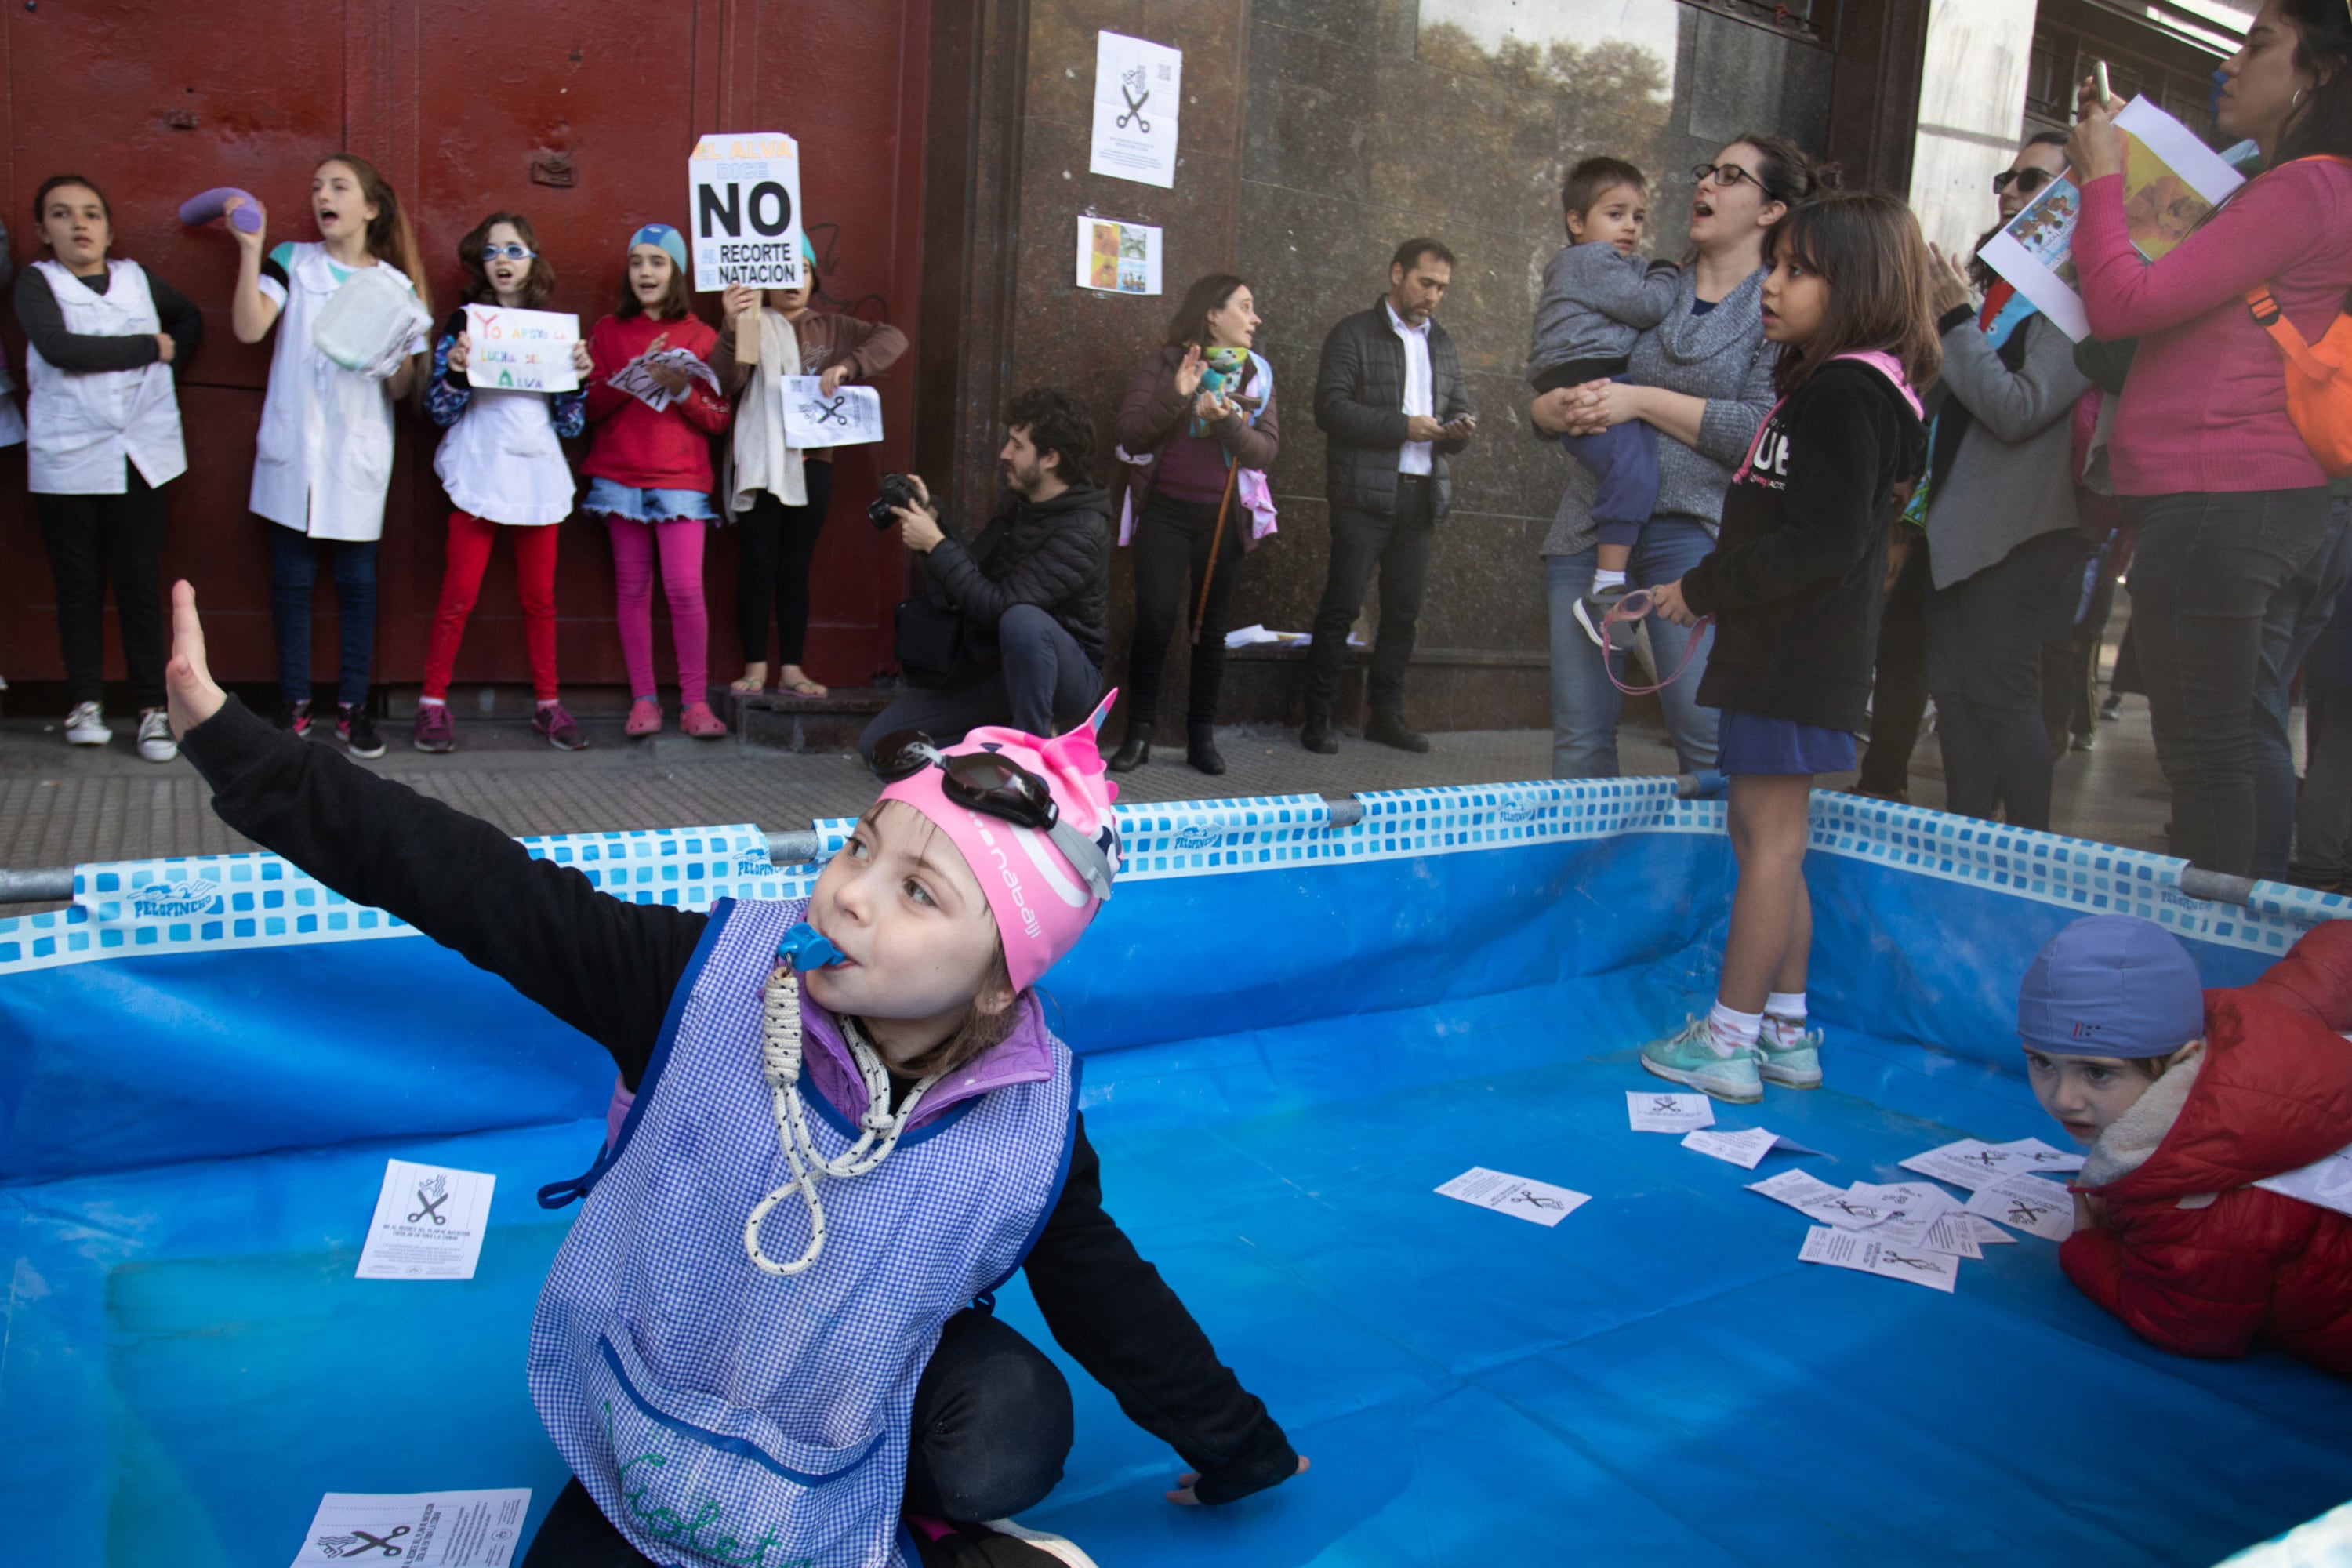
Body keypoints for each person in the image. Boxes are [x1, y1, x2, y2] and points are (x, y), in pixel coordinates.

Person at [156, 583, 1308, 1568]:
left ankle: (929, 1525)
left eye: (919, 893)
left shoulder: (1024, 1130)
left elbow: (1112, 1299)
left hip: (843, 1390)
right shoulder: (701, 984)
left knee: (1007, 1429)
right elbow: (477, 886)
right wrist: (239, 748)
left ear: (1001, 981)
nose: (849, 892)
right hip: (668, 1373)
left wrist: (1240, 1447)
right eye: (861, 845)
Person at [1639, 190, 1936, 1103]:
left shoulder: (1848, 391)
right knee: (1767, 838)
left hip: (1792, 657)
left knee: (1767, 841)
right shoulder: (1835, 386)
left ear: (1861, 286)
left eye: (1798, 270)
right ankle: (1785, 1029)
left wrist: (1704, 586)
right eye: (1775, 264)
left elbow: (1825, 540)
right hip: (1784, 653)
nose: (1771, 284)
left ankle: (1728, 1038)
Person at [2067, 0, 2352, 877]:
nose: (2229, 65)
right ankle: (2236, 937)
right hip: (2239, 498)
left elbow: (2123, 303)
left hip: (2224, 497)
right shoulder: (2305, 187)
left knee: (2208, 752)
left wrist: (2102, 180)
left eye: (2258, 44)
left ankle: (2224, 947)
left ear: (2320, 73)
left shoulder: (2305, 188)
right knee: (2225, 738)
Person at [1534, 135, 1828, 779]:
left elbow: (1757, 431)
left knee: (1705, 742)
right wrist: (1550, 411)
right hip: (1590, 529)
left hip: (1692, 539)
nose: (1706, 184)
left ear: (1771, 210)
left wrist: (1639, 400)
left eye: (1730, 176)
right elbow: (1569, 356)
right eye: (1707, 171)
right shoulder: (1645, 278)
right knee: (1579, 742)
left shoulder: (1776, 305)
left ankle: (1717, 854)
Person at [2017, 915, 2352, 1374]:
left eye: (2097, 1072)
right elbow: (2335, 956)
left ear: (2181, 1058)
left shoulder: (2187, 1203)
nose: (2062, 1099)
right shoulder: (2257, 1019)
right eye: (2041, 1062)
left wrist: (2087, 1245)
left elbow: (2187, 1326)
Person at [1915, 131, 2095, 831]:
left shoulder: (2074, 298)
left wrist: (1955, 318)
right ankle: (1965, 845)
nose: (2012, 195)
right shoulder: (1997, 289)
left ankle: (2027, 856)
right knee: (1954, 692)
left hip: (2022, 532)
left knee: (1999, 691)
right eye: (2008, 181)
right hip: (1954, 523)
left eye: (2035, 183)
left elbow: (2017, 411)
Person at [225, 154, 431, 760]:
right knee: (290, 583)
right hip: (295, 448)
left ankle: (352, 707)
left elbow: (402, 388)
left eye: (339, 186)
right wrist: (249, 250)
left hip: (357, 454)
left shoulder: (396, 287)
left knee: (357, 586)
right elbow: (249, 329)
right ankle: (293, 704)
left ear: (370, 207)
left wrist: (390, 356)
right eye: (317, 186)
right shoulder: (292, 261)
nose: (323, 196)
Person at [14, 173, 199, 764]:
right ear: (44, 230)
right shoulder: (36, 283)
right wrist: (150, 349)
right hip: (68, 454)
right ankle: (85, 701)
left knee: (140, 585)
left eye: (91, 213)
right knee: (78, 586)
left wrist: (166, 367)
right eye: (62, 214)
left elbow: (188, 320)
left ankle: (151, 709)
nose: (79, 224)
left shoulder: (137, 279)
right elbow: (59, 348)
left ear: (110, 230)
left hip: (139, 453)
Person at [416, 212, 593, 754]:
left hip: (536, 467)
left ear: (533, 260)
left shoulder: (554, 332)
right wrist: (454, 370)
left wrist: (577, 381)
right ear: (480, 263)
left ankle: (548, 704)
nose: (503, 261)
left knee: (540, 599)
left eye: (515, 250)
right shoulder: (465, 323)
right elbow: (438, 411)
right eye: (492, 251)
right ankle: (431, 703)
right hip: (482, 462)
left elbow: (571, 425)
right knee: (458, 594)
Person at [859, 388, 1111, 762]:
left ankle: (1031, 756)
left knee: (1023, 620)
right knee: (880, 747)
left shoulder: (1082, 531)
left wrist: (936, 546)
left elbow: (999, 607)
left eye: (1017, 445)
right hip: (998, 668)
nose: (1004, 454)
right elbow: (976, 574)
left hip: (1065, 677)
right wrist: (934, 520)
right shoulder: (1022, 502)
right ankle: (992, 745)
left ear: (1050, 458)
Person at [1301, 238, 1475, 754]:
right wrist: (1403, 427)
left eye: (1442, 288)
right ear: (1397, 273)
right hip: (1363, 497)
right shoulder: (1353, 332)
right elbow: (1330, 408)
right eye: (1426, 283)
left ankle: (1385, 716)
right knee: (1342, 606)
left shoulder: (1442, 342)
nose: (1433, 296)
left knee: (1402, 614)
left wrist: (1459, 429)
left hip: (1421, 497)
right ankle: (1318, 718)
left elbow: (1459, 406)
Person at [715, 235, 908, 699]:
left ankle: (792, 668)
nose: (793, 280)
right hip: (759, 463)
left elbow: (894, 338)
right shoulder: (752, 321)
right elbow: (725, 381)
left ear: (814, 277)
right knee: (758, 561)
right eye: (782, 269)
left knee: (796, 565)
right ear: (764, 277)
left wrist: (848, 367)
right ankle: (755, 665)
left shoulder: (833, 328)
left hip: (813, 463)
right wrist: (732, 328)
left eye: (801, 269)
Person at [1107, 274, 1280, 776]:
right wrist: (1177, 394)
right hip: (1164, 512)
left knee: (1211, 630)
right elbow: (1130, 432)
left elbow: (1266, 451)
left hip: (1225, 517)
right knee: (1154, 622)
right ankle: (1138, 733)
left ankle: (1201, 736)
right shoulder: (1166, 363)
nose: (1255, 318)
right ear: (1212, 314)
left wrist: (1227, 422)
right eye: (1244, 306)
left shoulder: (1257, 375)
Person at [581, 224, 732, 740]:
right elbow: (588, 408)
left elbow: (718, 418)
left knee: (686, 591)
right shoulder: (606, 331)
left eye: (658, 262)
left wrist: (681, 390)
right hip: (618, 479)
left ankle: (694, 704)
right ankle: (643, 701)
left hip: (681, 481)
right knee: (633, 592)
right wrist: (630, 377)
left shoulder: (701, 337)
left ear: (676, 272)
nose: (645, 272)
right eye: (637, 262)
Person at [1530, 157, 1682, 650]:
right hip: (1587, 375)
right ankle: (1604, 589)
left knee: (1635, 464)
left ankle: (1608, 586)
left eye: (1638, 217)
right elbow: (1647, 305)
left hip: (1594, 374)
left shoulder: (1602, 263)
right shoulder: (1590, 260)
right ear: (1576, 222)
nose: (1630, 227)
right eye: (1615, 214)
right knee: (1632, 470)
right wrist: (1667, 273)